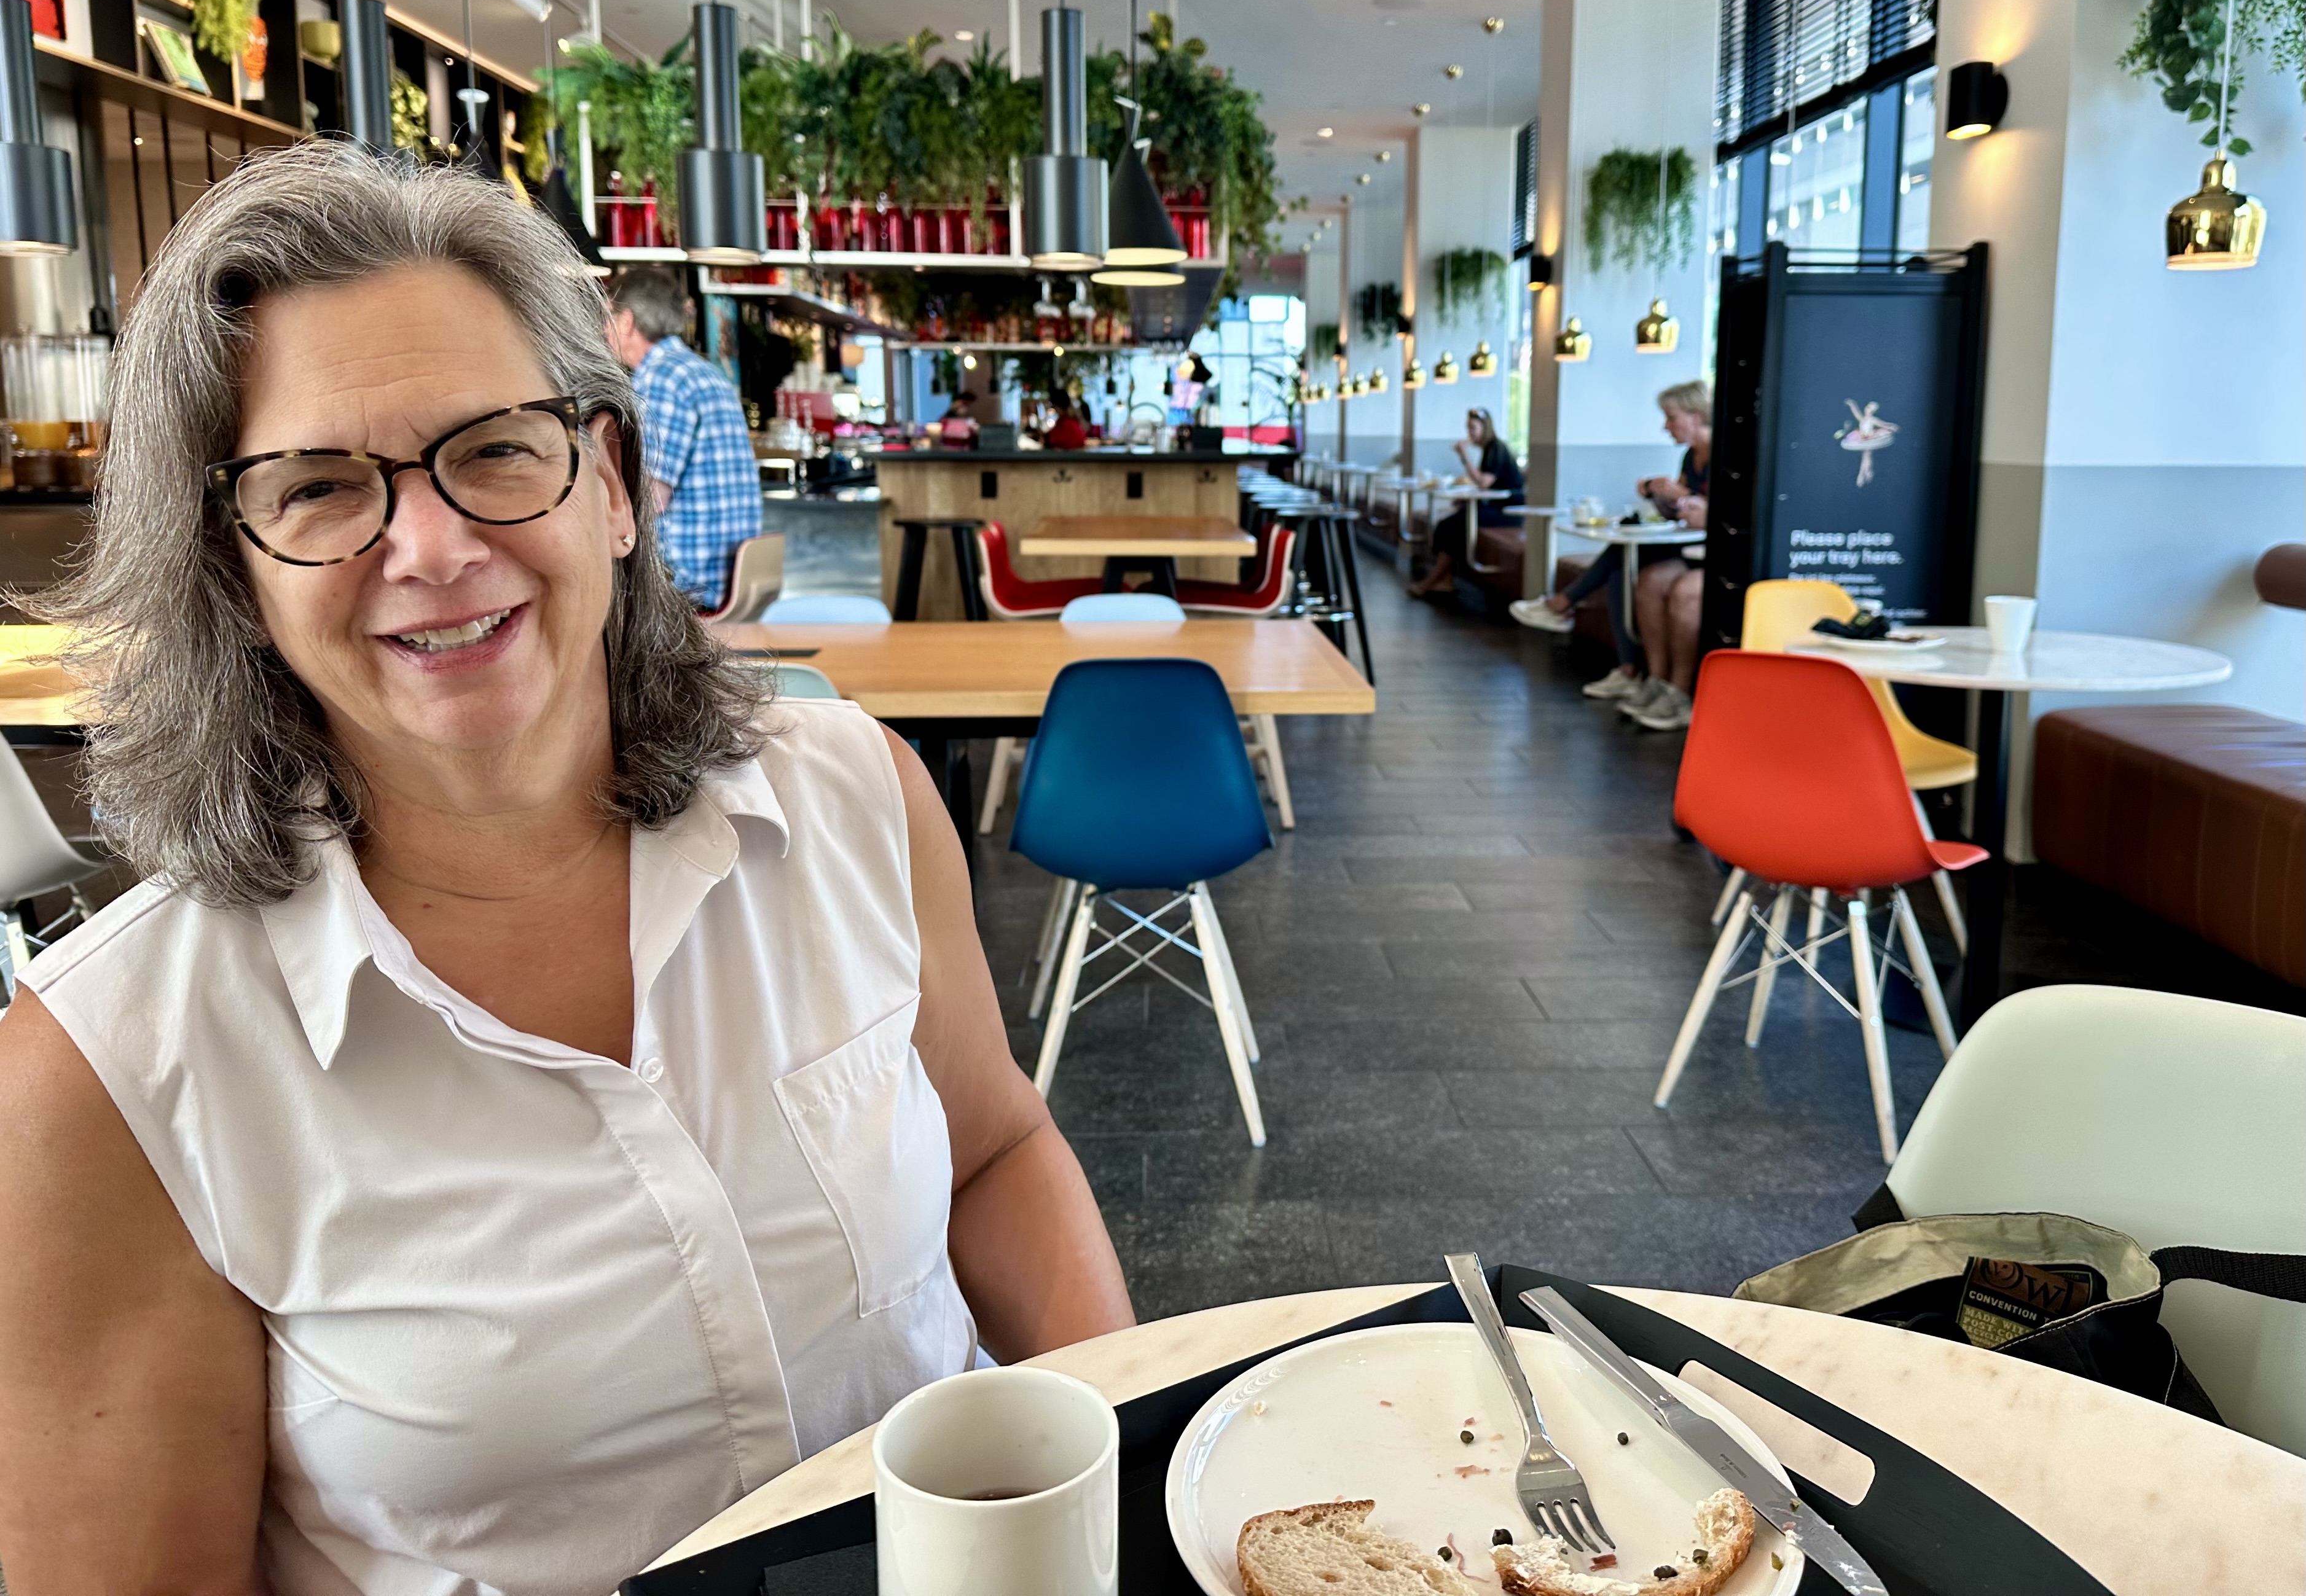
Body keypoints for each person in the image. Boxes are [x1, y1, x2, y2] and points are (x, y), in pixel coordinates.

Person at [0, 144, 1133, 1596]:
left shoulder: (856, 801)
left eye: (494, 451)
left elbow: (993, 1153)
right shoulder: (109, 1079)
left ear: (608, 484)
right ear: (236, 569)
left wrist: (1125, 1481)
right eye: (321, 487)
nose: (432, 546)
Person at [1510, 381, 1711, 724]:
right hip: (1686, 548)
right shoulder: (1690, 457)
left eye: (1671, 417)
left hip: (1707, 556)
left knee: (1627, 559)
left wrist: (1690, 502)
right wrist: (1659, 494)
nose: (1666, 426)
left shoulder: (1728, 455)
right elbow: (1682, 512)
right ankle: (1654, 682)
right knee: (1634, 572)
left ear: (1696, 416)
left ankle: (1565, 606)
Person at [605, 264, 761, 611]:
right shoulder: (706, 373)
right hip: (727, 576)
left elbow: (650, 498)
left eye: (607, 318)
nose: (603, 330)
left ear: (627, 322)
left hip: (688, 586)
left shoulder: (662, 379)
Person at [1408, 407, 1526, 599]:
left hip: (1509, 513)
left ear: (1485, 428)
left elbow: (1483, 482)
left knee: (1456, 526)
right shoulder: (1490, 449)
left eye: (1473, 428)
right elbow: (1488, 487)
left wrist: (1464, 455)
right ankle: (1446, 580)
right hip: (1496, 506)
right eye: (1468, 428)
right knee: (1445, 525)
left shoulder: (1496, 449)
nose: (1469, 433)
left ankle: (1431, 581)